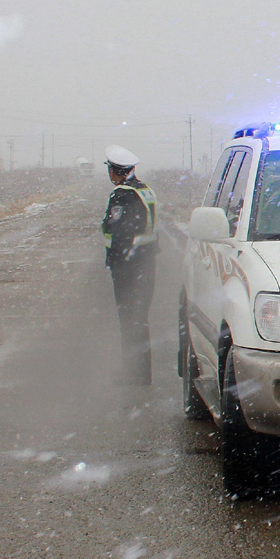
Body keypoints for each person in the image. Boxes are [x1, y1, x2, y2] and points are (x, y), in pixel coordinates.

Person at [101, 145, 159, 385]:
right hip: (146, 264)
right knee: (140, 319)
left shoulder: (122, 195)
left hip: (128, 267)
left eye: (110, 171)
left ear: (116, 171)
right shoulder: (145, 190)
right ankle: (142, 373)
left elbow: (116, 230)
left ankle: (133, 375)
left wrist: (116, 256)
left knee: (129, 320)